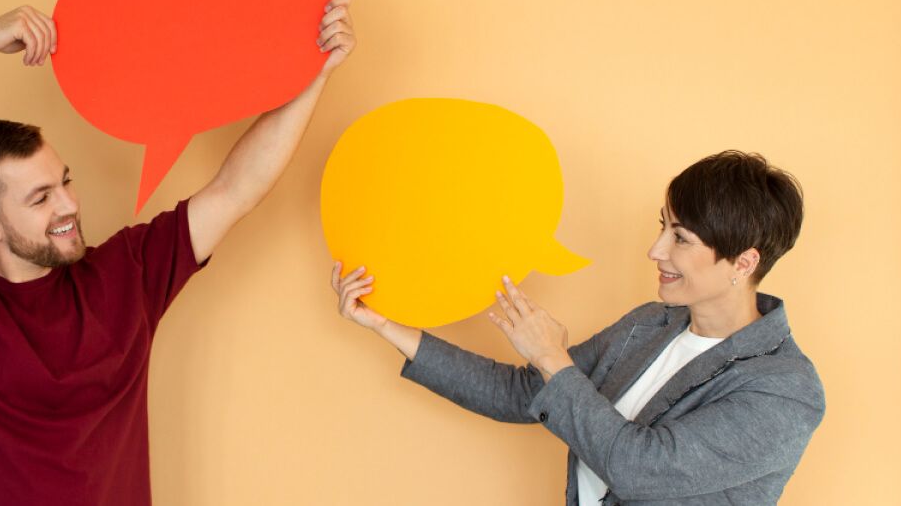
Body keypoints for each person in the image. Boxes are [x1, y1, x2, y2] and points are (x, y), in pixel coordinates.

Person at [0, 0, 354, 505]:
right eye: (41, 198)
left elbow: (235, 189)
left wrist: (317, 69)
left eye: (65, 181)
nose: (69, 205)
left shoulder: (128, 275)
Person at [331, 151, 825, 505]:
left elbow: (639, 469)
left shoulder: (785, 392)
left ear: (744, 261)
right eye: (662, 227)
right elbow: (523, 393)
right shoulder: (649, 325)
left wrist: (552, 358)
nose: (655, 251)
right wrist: (382, 324)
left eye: (680, 238)